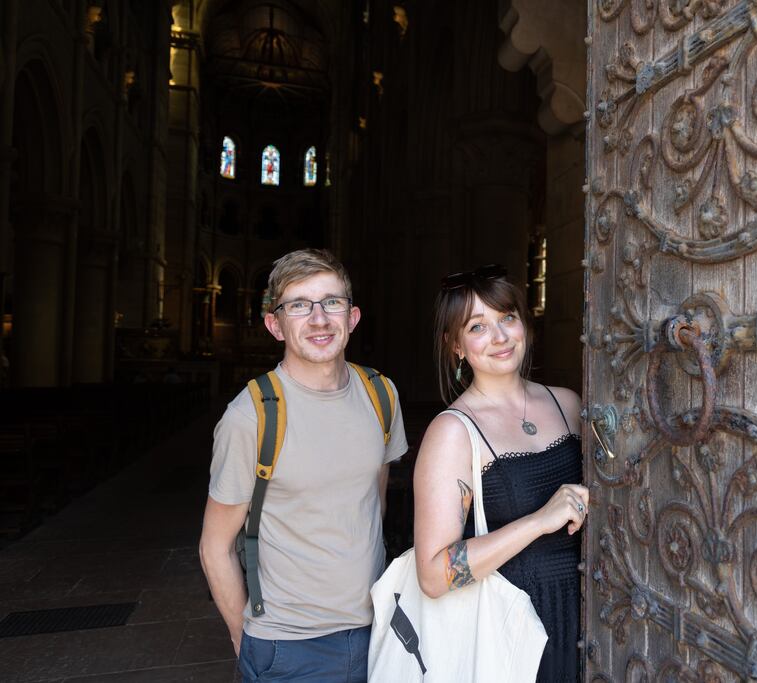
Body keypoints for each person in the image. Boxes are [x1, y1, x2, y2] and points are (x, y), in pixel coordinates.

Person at [199, 248, 408, 682]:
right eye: (299, 306)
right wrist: (246, 641)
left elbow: (373, 503)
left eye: (332, 302)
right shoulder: (250, 416)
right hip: (288, 646)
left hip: (379, 629)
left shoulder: (381, 394)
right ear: (275, 325)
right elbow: (214, 547)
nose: (318, 319)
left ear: (352, 318)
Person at [413, 264, 586, 682]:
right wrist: (538, 521)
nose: (500, 336)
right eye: (477, 326)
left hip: (592, 622)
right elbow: (434, 575)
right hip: (513, 636)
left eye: (507, 317)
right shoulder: (453, 432)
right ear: (455, 345)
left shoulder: (568, 403)